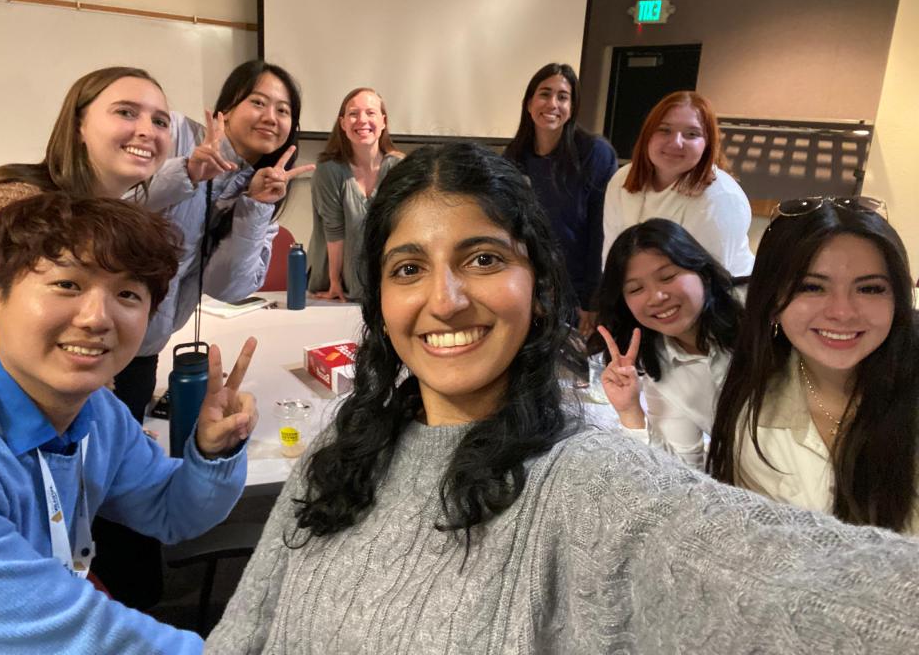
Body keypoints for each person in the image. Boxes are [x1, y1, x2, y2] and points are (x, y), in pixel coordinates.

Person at [205, 144, 919, 654]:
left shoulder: (586, 481)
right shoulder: (339, 450)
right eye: (408, 267)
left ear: (540, 287)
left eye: (483, 259)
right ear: (381, 299)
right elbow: (245, 628)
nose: (444, 301)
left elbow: (807, 588)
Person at [0, 193, 259, 654]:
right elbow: (73, 641)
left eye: (127, 294)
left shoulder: (96, 412)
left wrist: (212, 452)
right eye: (67, 285)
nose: (96, 318)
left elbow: (171, 512)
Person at [0, 66, 173, 389]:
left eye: (160, 121)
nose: (147, 131)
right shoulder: (1, 203)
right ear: (78, 125)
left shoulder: (104, 223)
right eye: (126, 112)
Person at [707, 197, 919, 533]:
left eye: (869, 288)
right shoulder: (753, 416)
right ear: (772, 302)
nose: (843, 312)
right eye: (811, 287)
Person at [120, 59, 314, 422]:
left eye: (283, 110)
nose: (271, 117)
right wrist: (188, 172)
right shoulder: (174, 133)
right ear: (225, 110)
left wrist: (254, 206)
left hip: (146, 348)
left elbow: (227, 287)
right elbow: (113, 202)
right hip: (99, 331)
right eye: (258, 102)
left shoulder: (265, 186)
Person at [587, 219, 744, 469]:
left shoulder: (755, 313)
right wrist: (630, 410)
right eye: (636, 289)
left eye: (668, 276)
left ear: (701, 271)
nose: (657, 297)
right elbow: (679, 470)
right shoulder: (659, 366)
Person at [504, 63, 617, 337]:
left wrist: (592, 298)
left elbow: (601, 231)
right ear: (529, 103)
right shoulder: (513, 157)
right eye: (544, 94)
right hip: (528, 287)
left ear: (573, 106)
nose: (552, 104)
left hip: (576, 294)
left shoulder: (594, 153)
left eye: (563, 96)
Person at [601, 91, 754, 276]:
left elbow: (708, 283)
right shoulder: (622, 180)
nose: (676, 143)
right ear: (647, 135)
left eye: (692, 134)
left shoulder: (722, 198)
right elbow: (612, 259)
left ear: (707, 144)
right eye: (664, 130)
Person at [307, 87, 403, 302]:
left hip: (386, 286)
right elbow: (334, 231)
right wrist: (334, 282)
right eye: (353, 114)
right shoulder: (328, 170)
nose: (362, 120)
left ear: (383, 121)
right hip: (336, 284)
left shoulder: (400, 168)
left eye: (370, 113)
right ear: (342, 123)